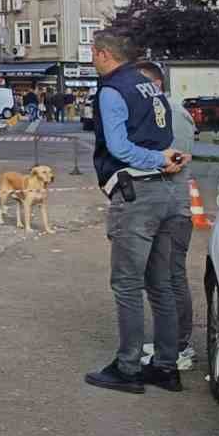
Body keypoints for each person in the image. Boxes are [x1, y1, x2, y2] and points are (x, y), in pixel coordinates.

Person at [84, 30, 189, 395]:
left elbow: (119, 147)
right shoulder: (149, 86)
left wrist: (156, 159)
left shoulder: (112, 90)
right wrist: (166, 158)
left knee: (127, 284)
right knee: (161, 284)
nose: (92, 59)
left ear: (103, 54)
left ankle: (128, 367)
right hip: (169, 193)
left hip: (137, 193)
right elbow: (163, 136)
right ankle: (166, 366)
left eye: (93, 53)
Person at [135, 60, 198, 371]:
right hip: (160, 206)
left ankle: (179, 347)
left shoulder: (172, 113)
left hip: (173, 209)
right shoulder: (156, 113)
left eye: (139, 85)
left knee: (172, 276)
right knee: (160, 277)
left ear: (155, 85)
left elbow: (175, 161)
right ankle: (168, 342)